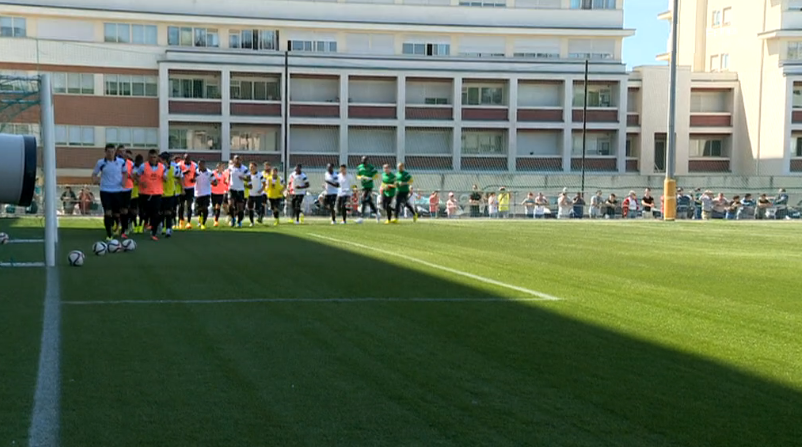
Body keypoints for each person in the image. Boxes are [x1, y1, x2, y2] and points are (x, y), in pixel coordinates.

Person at [91, 144, 127, 240]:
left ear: (115, 152)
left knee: (117, 213)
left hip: (118, 190)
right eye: (108, 152)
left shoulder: (121, 162)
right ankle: (109, 233)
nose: (110, 154)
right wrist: (95, 180)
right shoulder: (101, 163)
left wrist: (124, 181)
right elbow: (94, 174)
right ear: (105, 152)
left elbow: (125, 172)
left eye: (112, 152)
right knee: (108, 212)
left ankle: (119, 228)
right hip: (105, 190)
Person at [134, 149, 168, 241]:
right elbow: (136, 176)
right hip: (145, 193)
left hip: (157, 193)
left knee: (156, 213)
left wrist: (165, 178)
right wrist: (141, 182)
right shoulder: (143, 166)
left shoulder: (162, 167)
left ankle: (154, 232)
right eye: (151, 157)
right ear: (148, 157)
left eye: (154, 157)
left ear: (157, 158)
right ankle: (146, 223)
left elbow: (165, 176)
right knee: (145, 212)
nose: (153, 159)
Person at [158, 152, 181, 237]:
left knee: (168, 212)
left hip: (170, 193)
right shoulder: (158, 169)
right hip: (159, 193)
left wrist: (179, 186)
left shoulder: (174, 169)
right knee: (160, 212)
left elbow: (180, 176)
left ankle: (168, 229)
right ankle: (160, 226)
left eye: (161, 159)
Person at [193, 159, 216, 230]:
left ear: (204, 165)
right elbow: (192, 180)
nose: (200, 166)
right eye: (199, 165)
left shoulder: (209, 172)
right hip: (197, 193)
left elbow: (215, 182)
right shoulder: (195, 172)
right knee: (199, 209)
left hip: (206, 193)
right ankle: (200, 220)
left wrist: (213, 183)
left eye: (201, 164)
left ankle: (203, 223)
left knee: (205, 208)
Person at [227, 156, 249, 228]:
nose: (237, 161)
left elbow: (249, 179)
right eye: (236, 159)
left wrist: (243, 178)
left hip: (240, 190)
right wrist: (228, 180)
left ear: (241, 160)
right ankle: (233, 218)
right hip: (232, 189)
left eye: (238, 159)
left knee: (240, 208)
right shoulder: (230, 167)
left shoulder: (244, 169)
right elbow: (229, 175)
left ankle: (239, 222)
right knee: (230, 205)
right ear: (233, 160)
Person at [177, 154, 198, 230]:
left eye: (189, 158)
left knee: (189, 205)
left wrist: (194, 178)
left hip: (190, 187)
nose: (187, 160)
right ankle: (181, 221)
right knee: (181, 205)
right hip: (182, 187)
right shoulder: (179, 164)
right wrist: (184, 172)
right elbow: (177, 174)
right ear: (184, 159)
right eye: (186, 159)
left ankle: (189, 222)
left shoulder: (194, 165)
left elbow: (196, 173)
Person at [357, 156, 379, 221]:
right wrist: (361, 177)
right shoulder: (359, 167)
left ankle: (361, 217)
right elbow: (358, 175)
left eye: (364, 160)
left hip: (369, 186)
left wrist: (371, 178)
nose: (363, 161)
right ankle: (377, 212)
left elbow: (376, 175)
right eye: (362, 160)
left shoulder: (371, 167)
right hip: (363, 186)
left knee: (363, 200)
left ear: (367, 160)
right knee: (369, 201)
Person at [246, 162, 266, 227]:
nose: (251, 168)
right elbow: (247, 184)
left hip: (258, 195)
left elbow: (264, 184)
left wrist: (261, 190)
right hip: (250, 194)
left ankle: (261, 216)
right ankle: (252, 222)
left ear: (256, 167)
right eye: (250, 167)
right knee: (250, 208)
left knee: (257, 208)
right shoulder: (248, 175)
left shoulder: (260, 175)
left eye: (252, 167)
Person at [211, 162, 228, 227]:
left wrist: (226, 182)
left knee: (218, 207)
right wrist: (213, 182)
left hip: (221, 193)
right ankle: (215, 217)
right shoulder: (213, 173)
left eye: (223, 167)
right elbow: (210, 180)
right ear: (218, 167)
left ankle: (216, 221)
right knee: (214, 207)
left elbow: (225, 181)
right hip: (213, 192)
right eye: (221, 167)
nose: (223, 168)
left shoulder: (223, 174)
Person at [130, 154, 144, 233]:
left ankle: (140, 225)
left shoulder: (143, 169)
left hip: (142, 192)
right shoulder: (133, 169)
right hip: (134, 192)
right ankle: (135, 224)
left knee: (142, 210)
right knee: (134, 210)